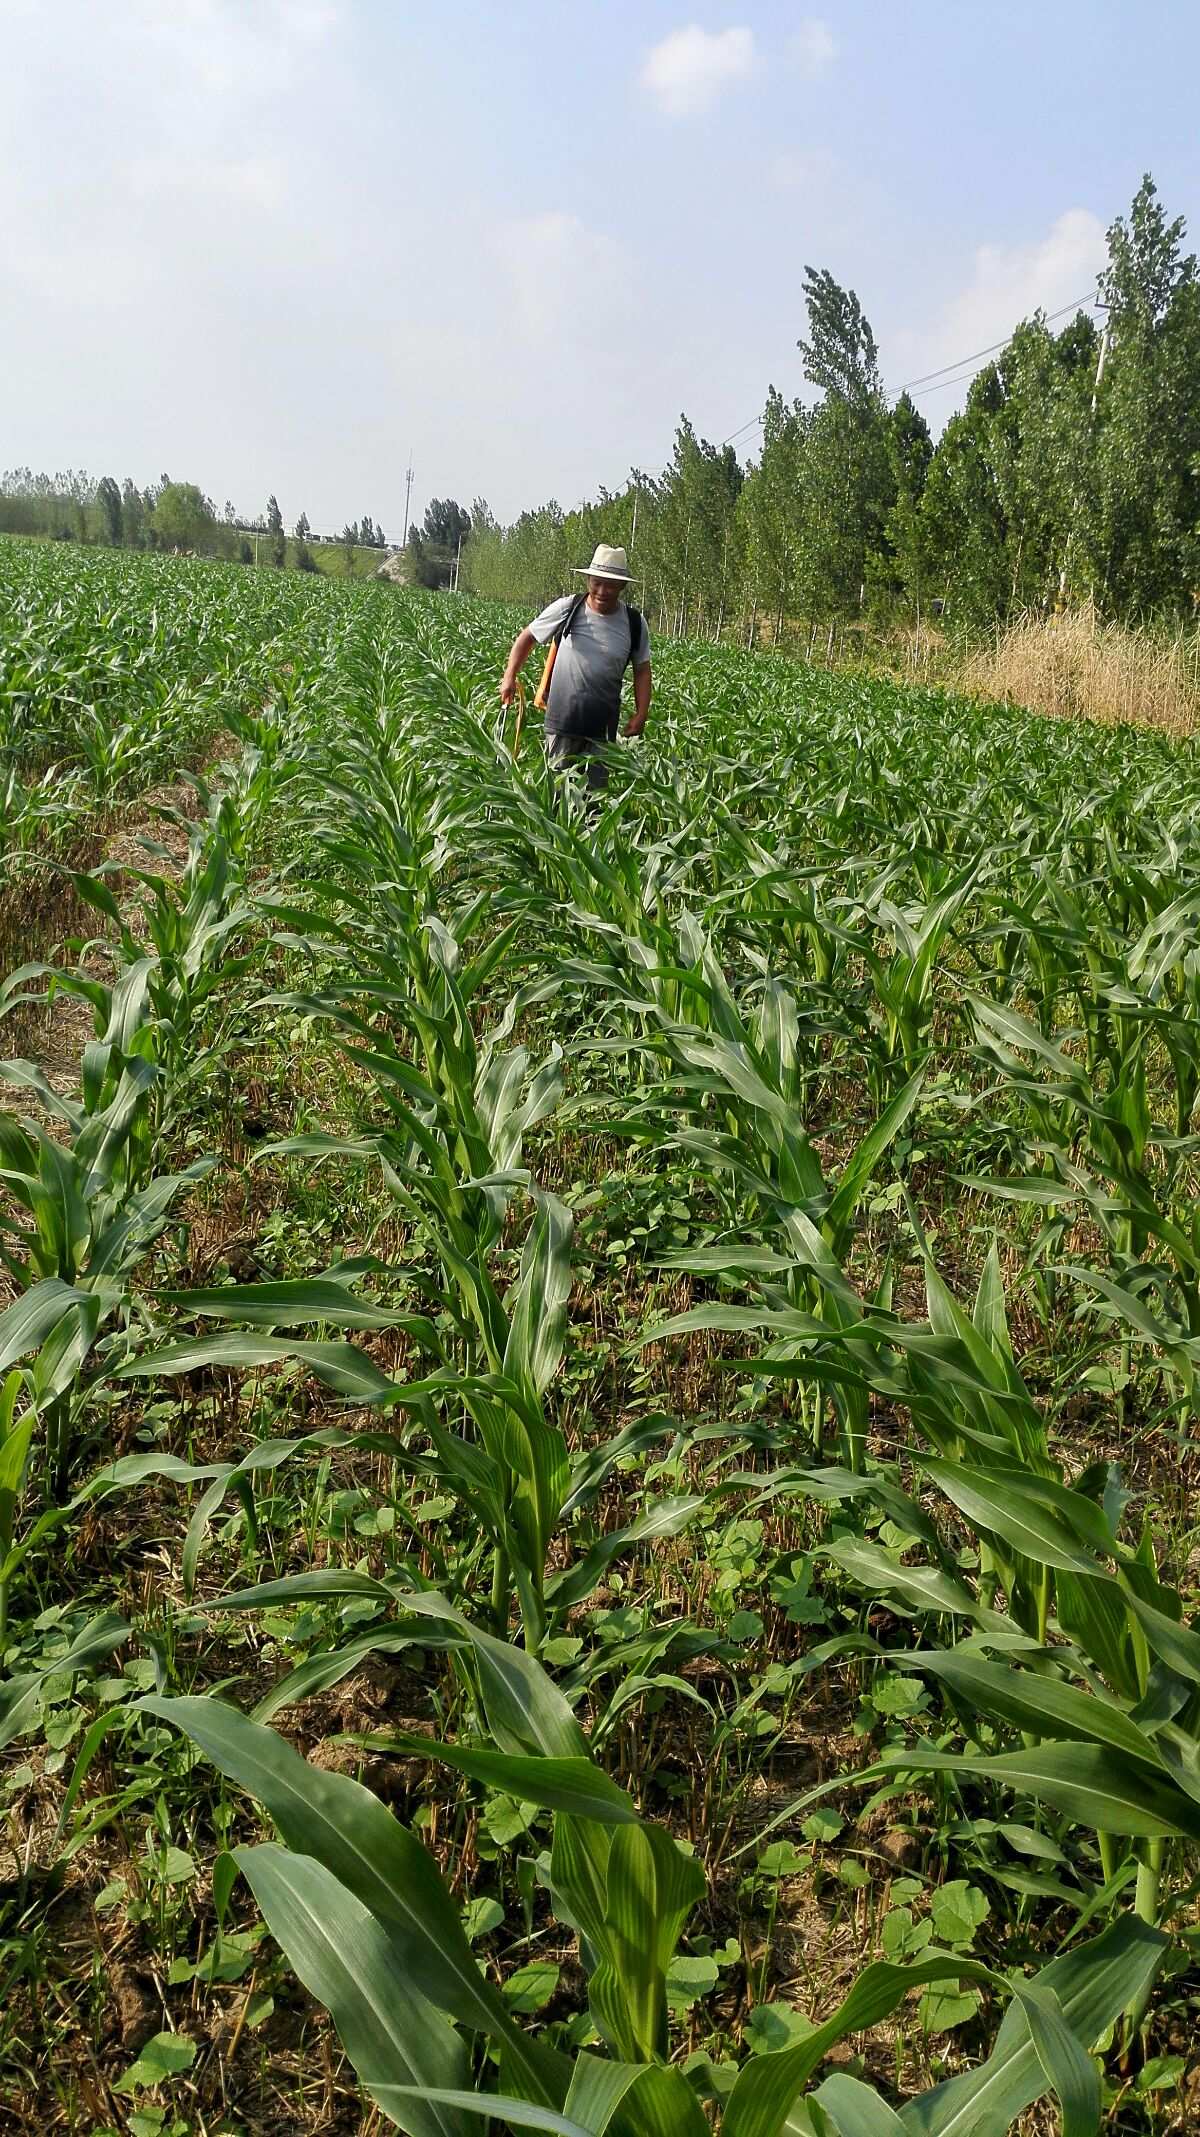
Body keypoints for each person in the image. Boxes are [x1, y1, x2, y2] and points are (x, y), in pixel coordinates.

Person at [499, 544, 652, 788]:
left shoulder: (634, 622)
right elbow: (526, 638)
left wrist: (641, 712)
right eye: (597, 582)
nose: (602, 590)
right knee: (556, 796)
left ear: (622, 586)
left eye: (611, 584)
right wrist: (509, 677)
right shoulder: (569, 608)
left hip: (602, 730)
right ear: (588, 579)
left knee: (593, 803)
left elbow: (642, 670)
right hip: (563, 723)